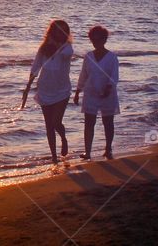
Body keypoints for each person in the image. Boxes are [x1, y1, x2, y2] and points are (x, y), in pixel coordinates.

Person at [22, 19, 73, 163]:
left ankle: (63, 138)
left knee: (56, 122)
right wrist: (28, 86)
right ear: (52, 31)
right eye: (58, 30)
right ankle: (54, 157)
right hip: (45, 89)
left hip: (62, 90)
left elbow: (66, 55)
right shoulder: (43, 48)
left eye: (64, 30)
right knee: (49, 125)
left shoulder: (67, 47)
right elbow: (36, 66)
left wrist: (55, 44)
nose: (61, 33)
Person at [73, 25, 119, 160]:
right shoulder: (88, 56)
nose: (95, 42)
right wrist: (77, 91)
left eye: (98, 39)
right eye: (93, 39)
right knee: (89, 122)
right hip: (91, 92)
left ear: (104, 40)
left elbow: (114, 76)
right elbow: (83, 75)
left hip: (108, 93)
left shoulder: (112, 57)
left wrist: (108, 89)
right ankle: (87, 152)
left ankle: (108, 149)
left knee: (108, 122)